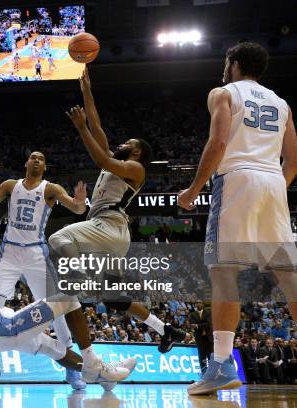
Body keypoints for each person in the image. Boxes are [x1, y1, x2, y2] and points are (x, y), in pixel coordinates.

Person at [178, 42, 297, 395]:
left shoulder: (224, 93)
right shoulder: (282, 103)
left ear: (234, 63)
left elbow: (217, 143)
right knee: (288, 276)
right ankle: (220, 364)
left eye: (225, 61)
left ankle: (220, 364)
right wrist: (272, 185)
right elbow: (292, 163)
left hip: (237, 179)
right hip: (274, 184)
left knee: (224, 272)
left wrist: (194, 188)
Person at [55, 66, 185, 354]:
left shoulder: (135, 168)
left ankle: (80, 281)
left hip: (110, 227)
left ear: (137, 152)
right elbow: (98, 126)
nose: (122, 143)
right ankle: (166, 329)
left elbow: (101, 158)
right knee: (113, 297)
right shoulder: (121, 159)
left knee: (58, 240)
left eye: (129, 143)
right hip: (110, 235)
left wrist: (80, 129)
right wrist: (87, 91)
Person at [0, 230, 135, 387]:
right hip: (6, 329)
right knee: (68, 297)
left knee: (53, 348)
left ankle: (103, 376)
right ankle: (92, 363)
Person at [0, 152, 87, 389]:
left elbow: (77, 210)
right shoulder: (10, 185)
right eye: (33, 157)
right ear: (26, 163)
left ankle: (70, 365)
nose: (36, 160)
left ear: (44, 166)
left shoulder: (50, 189)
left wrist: (79, 202)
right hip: (10, 254)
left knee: (55, 307)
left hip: (36, 253)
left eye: (41, 159)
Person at [189, 300, 214, 373]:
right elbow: (192, 325)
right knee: (201, 355)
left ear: (203, 304)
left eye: (200, 303)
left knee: (211, 355)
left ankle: (212, 372)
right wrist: (201, 325)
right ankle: (204, 372)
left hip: (208, 337)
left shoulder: (209, 312)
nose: (198, 304)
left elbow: (208, 323)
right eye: (196, 303)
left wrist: (197, 325)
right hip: (199, 338)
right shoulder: (192, 314)